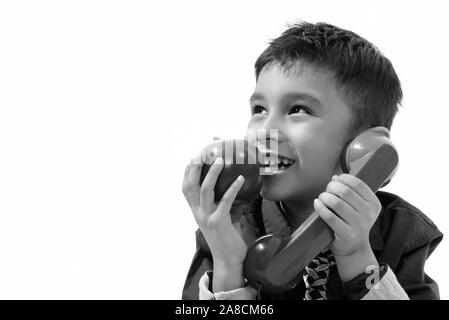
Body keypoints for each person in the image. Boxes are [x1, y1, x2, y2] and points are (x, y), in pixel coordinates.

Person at [181, 21, 443, 300]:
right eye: (259, 109)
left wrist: (357, 257)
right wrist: (228, 268)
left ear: (363, 146)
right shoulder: (225, 226)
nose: (264, 131)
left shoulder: (401, 232)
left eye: (297, 110)